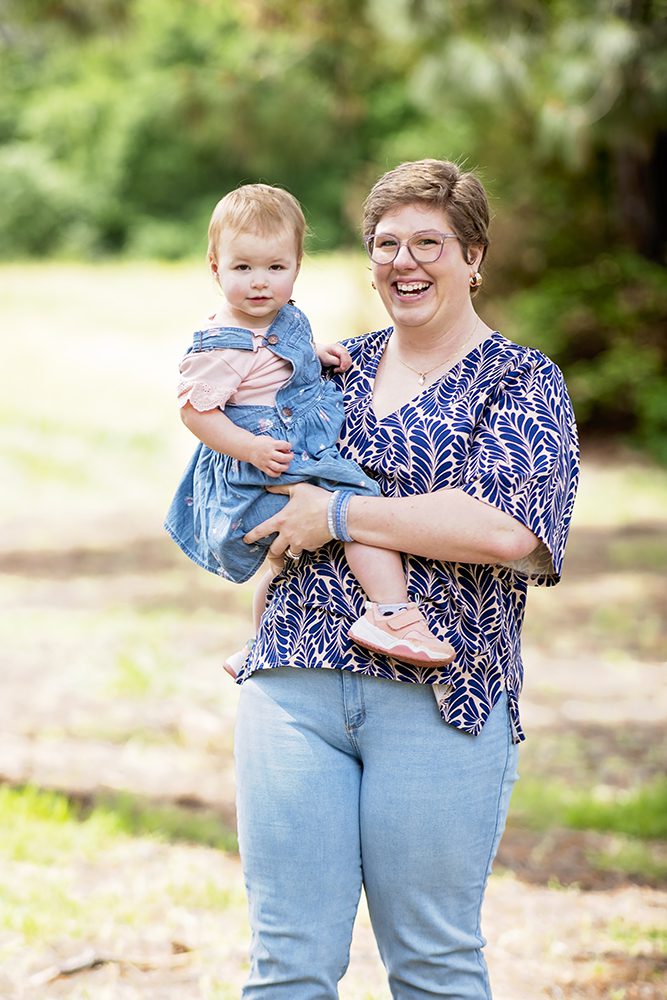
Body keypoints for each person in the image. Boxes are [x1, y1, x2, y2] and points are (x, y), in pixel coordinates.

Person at [232, 159, 580, 999]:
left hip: (439, 698)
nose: (403, 262)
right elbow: (257, 481)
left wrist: (339, 514)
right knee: (287, 965)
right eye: (385, 245)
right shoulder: (329, 366)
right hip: (294, 683)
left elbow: (504, 529)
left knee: (431, 962)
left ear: (473, 256)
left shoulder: (521, 380)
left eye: (428, 243)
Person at [164, 183, 456, 671]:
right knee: (356, 502)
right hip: (264, 463)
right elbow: (196, 412)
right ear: (215, 267)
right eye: (243, 268)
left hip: (285, 450)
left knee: (282, 564)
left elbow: (275, 361)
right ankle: (391, 612)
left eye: (276, 268)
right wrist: (250, 448)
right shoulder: (222, 345)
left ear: (297, 267)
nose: (260, 283)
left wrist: (312, 356)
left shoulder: (277, 319)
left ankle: (260, 642)